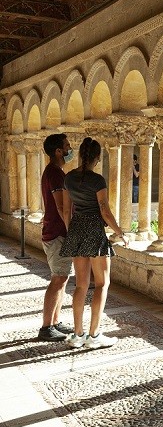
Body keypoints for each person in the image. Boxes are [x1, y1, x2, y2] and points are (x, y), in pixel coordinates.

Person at [61, 137, 129, 350]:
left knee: (81, 285)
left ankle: (77, 334)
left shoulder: (69, 178)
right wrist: (120, 233)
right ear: (97, 158)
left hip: (77, 229)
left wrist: (71, 230)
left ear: (81, 155)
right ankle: (94, 335)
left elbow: (65, 210)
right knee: (102, 284)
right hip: (94, 231)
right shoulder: (97, 180)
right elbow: (104, 211)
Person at [38, 133, 75, 342]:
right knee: (58, 279)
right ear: (58, 151)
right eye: (67, 146)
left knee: (62, 277)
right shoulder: (55, 174)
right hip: (57, 233)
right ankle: (46, 327)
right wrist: (72, 230)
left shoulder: (55, 172)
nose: (71, 149)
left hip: (56, 231)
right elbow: (62, 206)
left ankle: (55, 321)